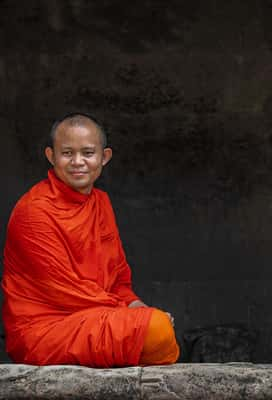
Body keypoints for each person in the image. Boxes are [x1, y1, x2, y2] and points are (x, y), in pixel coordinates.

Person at [2, 113, 179, 367]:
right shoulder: (34, 211)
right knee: (155, 329)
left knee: (155, 328)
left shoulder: (101, 203)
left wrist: (138, 307)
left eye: (87, 153)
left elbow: (118, 279)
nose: (78, 162)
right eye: (67, 153)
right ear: (51, 156)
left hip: (97, 317)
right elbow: (64, 291)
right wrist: (135, 316)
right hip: (47, 330)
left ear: (104, 157)